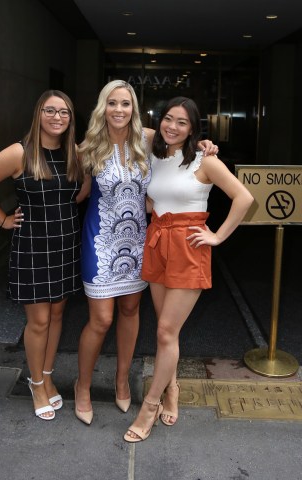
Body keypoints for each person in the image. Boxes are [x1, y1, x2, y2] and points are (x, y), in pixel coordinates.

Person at [74, 80, 217, 425]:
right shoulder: (86, 148)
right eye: (112, 103)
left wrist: (205, 145)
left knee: (130, 307)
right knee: (101, 318)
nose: (119, 110)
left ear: (134, 109)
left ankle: (123, 380)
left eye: (126, 104)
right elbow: (77, 193)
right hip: (100, 240)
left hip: (139, 239)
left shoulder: (148, 138)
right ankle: (83, 386)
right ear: (102, 108)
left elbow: (179, 136)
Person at [123, 96, 254, 442]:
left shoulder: (205, 160)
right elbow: (129, 123)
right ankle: (173, 387)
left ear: (194, 128)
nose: (173, 126)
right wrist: (152, 203)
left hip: (188, 247)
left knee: (165, 331)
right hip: (157, 243)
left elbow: (244, 198)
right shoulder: (155, 151)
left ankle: (150, 404)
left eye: (182, 122)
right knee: (169, 331)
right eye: (168, 119)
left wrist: (217, 237)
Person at [0, 90, 84, 421]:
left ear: (70, 119)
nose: (57, 117)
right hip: (32, 246)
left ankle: (47, 377)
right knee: (39, 320)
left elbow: (82, 190)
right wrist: (4, 219)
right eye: (50, 111)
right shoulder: (19, 153)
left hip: (65, 243)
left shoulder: (74, 153)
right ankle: (36, 384)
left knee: (59, 315)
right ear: (39, 114)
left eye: (64, 112)